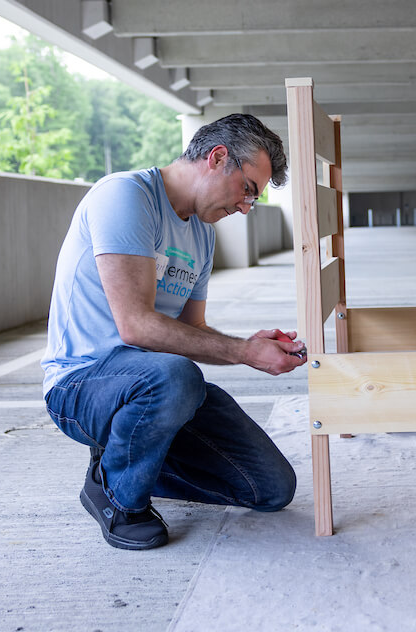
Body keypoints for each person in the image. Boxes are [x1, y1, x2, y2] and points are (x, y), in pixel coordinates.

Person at [41, 113, 306, 550]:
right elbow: (137, 326)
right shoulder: (125, 196)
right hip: (83, 383)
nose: (245, 207)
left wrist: (251, 344)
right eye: (247, 190)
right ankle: (114, 495)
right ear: (218, 158)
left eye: (252, 200)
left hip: (154, 385)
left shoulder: (202, 234)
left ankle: (129, 457)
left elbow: (192, 330)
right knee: (176, 376)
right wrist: (243, 353)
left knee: (271, 488)